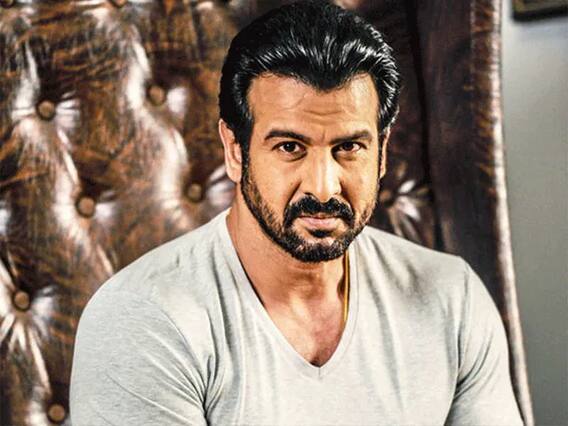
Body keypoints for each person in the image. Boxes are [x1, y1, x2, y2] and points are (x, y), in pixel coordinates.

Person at [70, 1, 524, 425]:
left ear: (382, 152)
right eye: (290, 147)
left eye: (349, 147)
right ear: (235, 150)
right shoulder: (143, 319)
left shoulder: (452, 298)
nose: (322, 187)